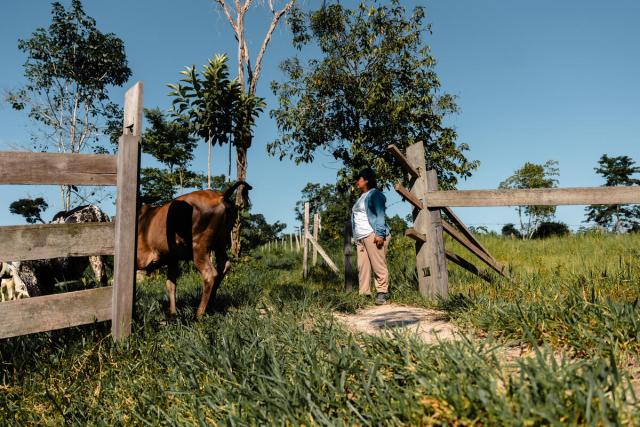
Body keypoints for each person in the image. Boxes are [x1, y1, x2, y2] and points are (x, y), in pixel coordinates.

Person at [351, 167, 391, 305]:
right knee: (363, 267)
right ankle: (364, 294)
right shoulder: (361, 197)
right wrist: (355, 237)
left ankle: (382, 293)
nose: (357, 181)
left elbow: (380, 214)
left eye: (359, 179)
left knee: (378, 264)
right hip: (361, 238)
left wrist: (380, 234)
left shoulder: (375, 194)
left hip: (373, 234)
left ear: (366, 180)